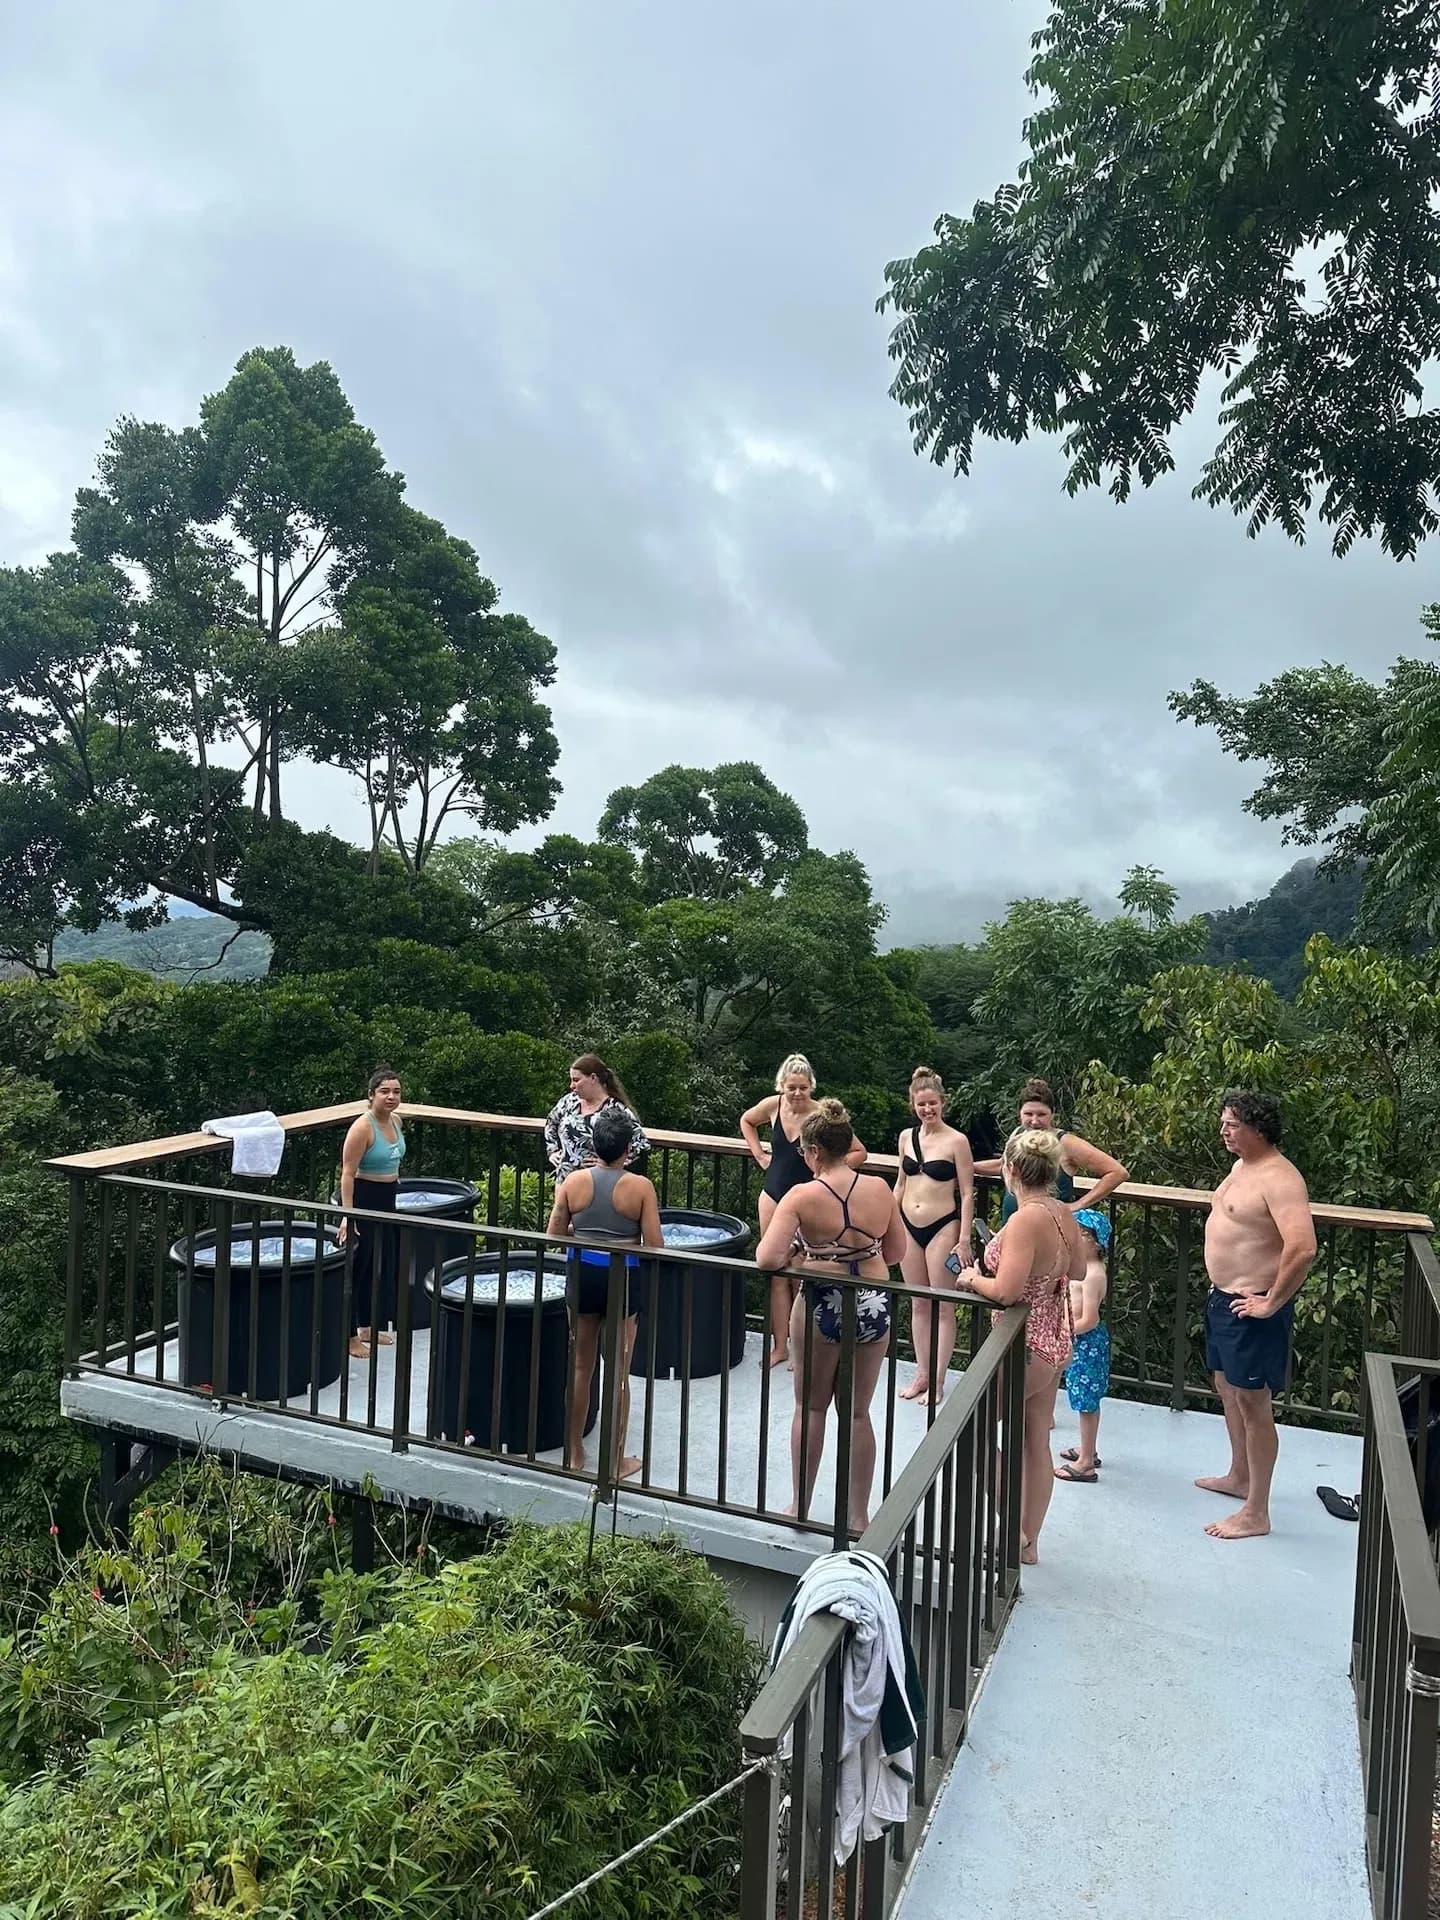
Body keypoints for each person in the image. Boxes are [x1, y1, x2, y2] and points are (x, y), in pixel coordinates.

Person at [755, 1100, 905, 1533]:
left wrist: (807, 1255)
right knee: (858, 1413)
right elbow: (895, 1252)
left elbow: (767, 1257)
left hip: (822, 1301)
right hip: (873, 1300)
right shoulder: (878, 1188)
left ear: (815, 1152)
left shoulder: (802, 1195)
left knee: (811, 1406)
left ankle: (800, 1506)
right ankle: (859, 1517)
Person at [956, 1128, 1086, 1565]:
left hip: (1023, 1343)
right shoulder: (1063, 1212)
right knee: (1035, 1440)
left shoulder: (1025, 1219)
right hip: (1055, 1337)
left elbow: (1007, 1291)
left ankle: (1013, 1528)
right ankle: (1028, 1541)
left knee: (972, 1432)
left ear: (1011, 1169)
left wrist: (973, 1277)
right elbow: (1082, 1268)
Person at [1196, 1090, 1316, 1541]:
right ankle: (1239, 1475)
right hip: (1223, 1300)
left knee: (1254, 1403)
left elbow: (1303, 1246)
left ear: (1258, 1128)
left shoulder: (1281, 1178)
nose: (1223, 1130)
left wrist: (1272, 1303)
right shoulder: (1241, 1166)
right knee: (1225, 1385)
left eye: (1231, 1124)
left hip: (1254, 1308)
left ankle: (1256, 1511)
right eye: (1224, 1121)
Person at [547, 1107, 663, 1479]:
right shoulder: (640, 1187)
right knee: (619, 1373)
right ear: (629, 1148)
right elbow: (655, 1245)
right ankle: (614, 1463)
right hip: (622, 1279)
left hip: (582, 1274)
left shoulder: (573, 1182)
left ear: (594, 1146)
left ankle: (574, 1452)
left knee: (581, 1367)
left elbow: (554, 1235)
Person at [740, 1055, 867, 1368]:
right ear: (782, 1086)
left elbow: (859, 1151)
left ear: (812, 1086)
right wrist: (758, 1153)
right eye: (791, 1087)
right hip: (772, 1196)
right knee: (774, 1274)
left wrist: (829, 1171)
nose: (796, 1093)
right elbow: (746, 1120)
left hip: (807, 1202)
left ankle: (802, 1348)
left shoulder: (821, 1114)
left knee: (801, 1274)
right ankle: (779, 1346)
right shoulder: (773, 1105)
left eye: (803, 1087)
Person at [894, 1067, 975, 1404]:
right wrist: (885, 1224)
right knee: (919, 1303)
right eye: (921, 1105)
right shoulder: (905, 1138)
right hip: (908, 1225)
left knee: (944, 1306)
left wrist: (965, 1238)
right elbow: (900, 1184)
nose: (927, 1110)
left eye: (932, 1104)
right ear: (913, 1104)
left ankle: (940, 1380)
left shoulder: (957, 1141)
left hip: (943, 1225)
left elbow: (968, 1192)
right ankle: (921, 1374)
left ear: (943, 1102)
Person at [974, 1077, 1129, 1224]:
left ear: (1052, 1114)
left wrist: (1079, 1204)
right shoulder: (1018, 1134)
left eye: (1041, 1114)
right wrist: (968, 1167)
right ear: (1019, 1113)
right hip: (1011, 1225)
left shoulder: (1066, 1143)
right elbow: (1003, 1165)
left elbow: (1117, 1172)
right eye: (1028, 1114)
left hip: (1051, 1230)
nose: (1034, 1121)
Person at [335, 1067, 405, 1359]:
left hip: (387, 1200)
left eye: (396, 1091)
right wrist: (348, 1216)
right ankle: (350, 1336)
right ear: (371, 1095)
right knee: (357, 1268)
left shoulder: (397, 1121)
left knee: (380, 1263)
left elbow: (393, 1163)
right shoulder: (362, 1128)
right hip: (363, 1199)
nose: (391, 1097)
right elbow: (347, 1175)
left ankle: (367, 1327)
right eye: (384, 1091)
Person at [1054, 1209, 1112, 1484]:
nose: (1076, 1237)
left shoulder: (1094, 1275)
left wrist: (1064, 1330)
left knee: (1087, 1402)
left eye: (1083, 1233)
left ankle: (1086, 1462)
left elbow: (1090, 1318)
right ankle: (1088, 1449)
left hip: (1086, 1343)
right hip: (1079, 1342)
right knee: (1081, 1399)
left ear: (1097, 1242)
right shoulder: (1083, 1269)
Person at [544, 1054, 650, 1181]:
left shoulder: (615, 1110)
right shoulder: (569, 1102)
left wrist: (611, 1163)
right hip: (564, 1180)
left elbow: (641, 1144)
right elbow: (551, 1123)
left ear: (593, 1078)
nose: (571, 1086)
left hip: (597, 1183)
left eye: (576, 1080)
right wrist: (553, 1151)